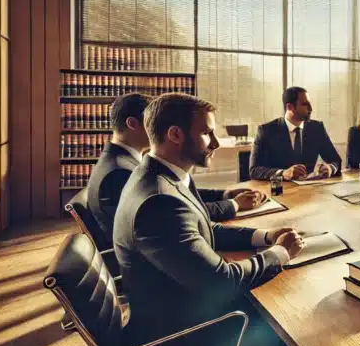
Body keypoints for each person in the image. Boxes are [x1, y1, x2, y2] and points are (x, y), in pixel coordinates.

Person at [112, 93, 334, 346]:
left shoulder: (163, 177)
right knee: (297, 311)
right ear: (175, 134)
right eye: (207, 133)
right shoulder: (158, 200)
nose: (216, 142)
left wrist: (263, 236)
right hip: (185, 338)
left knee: (279, 291)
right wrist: (279, 254)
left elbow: (205, 229)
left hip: (180, 307)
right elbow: (221, 281)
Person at [87, 93, 264, 252]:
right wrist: (234, 205)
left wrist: (224, 194)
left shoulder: (125, 162)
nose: (155, 127)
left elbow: (178, 194)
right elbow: (171, 211)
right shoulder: (119, 172)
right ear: (132, 124)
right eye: (149, 120)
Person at [249, 86, 343, 181]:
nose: (311, 108)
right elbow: (254, 170)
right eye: (305, 104)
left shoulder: (317, 128)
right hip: (279, 191)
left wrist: (330, 168)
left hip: (310, 191)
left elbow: (336, 161)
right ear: (290, 107)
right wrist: (283, 173)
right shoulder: (266, 131)